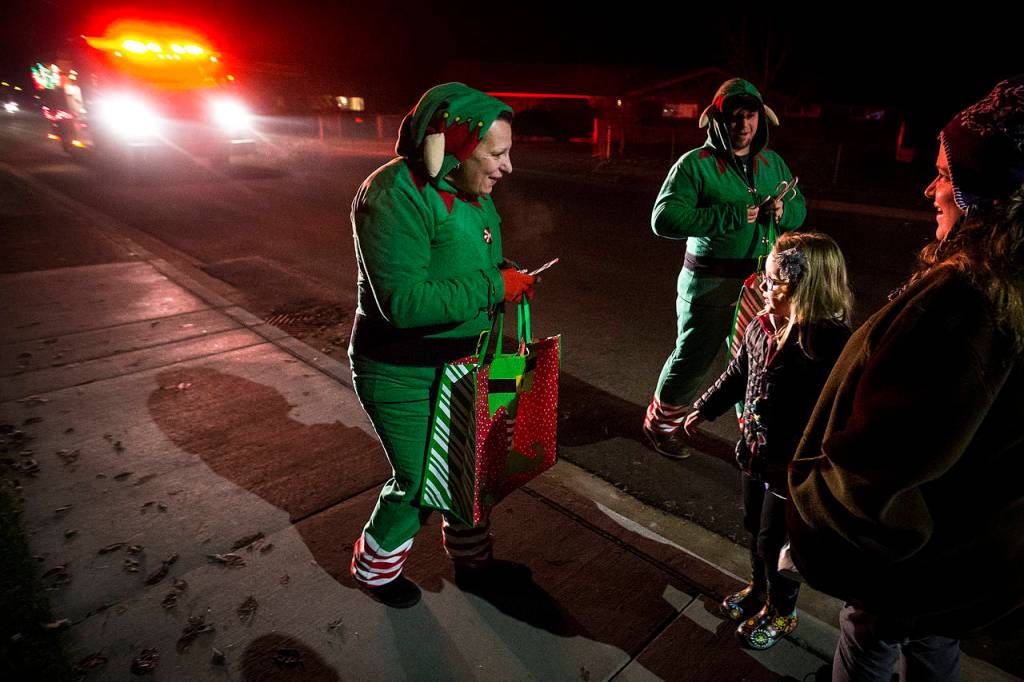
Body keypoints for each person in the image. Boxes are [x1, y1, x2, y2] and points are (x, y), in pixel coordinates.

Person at [788, 76, 1024, 680]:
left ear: (983, 192)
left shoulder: (965, 299)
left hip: (914, 561)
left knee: (866, 644)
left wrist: (812, 523)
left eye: (944, 173)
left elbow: (884, 458)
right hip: (968, 558)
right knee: (934, 645)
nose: (930, 188)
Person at [347, 83, 535, 608]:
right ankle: (374, 572)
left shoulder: (473, 196)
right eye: (496, 154)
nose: (507, 167)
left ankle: (474, 562)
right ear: (451, 145)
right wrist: (495, 287)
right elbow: (403, 303)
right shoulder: (392, 194)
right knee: (415, 482)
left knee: (467, 468)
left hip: (466, 363)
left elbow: (468, 264)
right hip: (400, 372)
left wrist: (503, 273)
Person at [683, 231, 853, 649]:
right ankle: (758, 591)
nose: (764, 286)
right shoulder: (761, 326)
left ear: (807, 287)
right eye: (766, 275)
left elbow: (838, 415)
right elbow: (737, 374)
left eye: (777, 281)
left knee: (774, 540)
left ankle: (781, 611)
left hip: (790, 468)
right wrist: (704, 408)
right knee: (751, 525)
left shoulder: (827, 344)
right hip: (754, 453)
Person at [644, 77, 807, 459]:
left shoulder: (773, 163)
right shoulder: (694, 165)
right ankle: (661, 423)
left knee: (756, 363)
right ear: (719, 121)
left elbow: (800, 209)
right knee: (693, 356)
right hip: (710, 283)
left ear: (760, 119)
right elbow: (663, 219)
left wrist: (786, 211)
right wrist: (728, 215)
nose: (744, 125)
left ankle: (751, 438)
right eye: (736, 117)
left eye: (750, 116)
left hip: (763, 288)